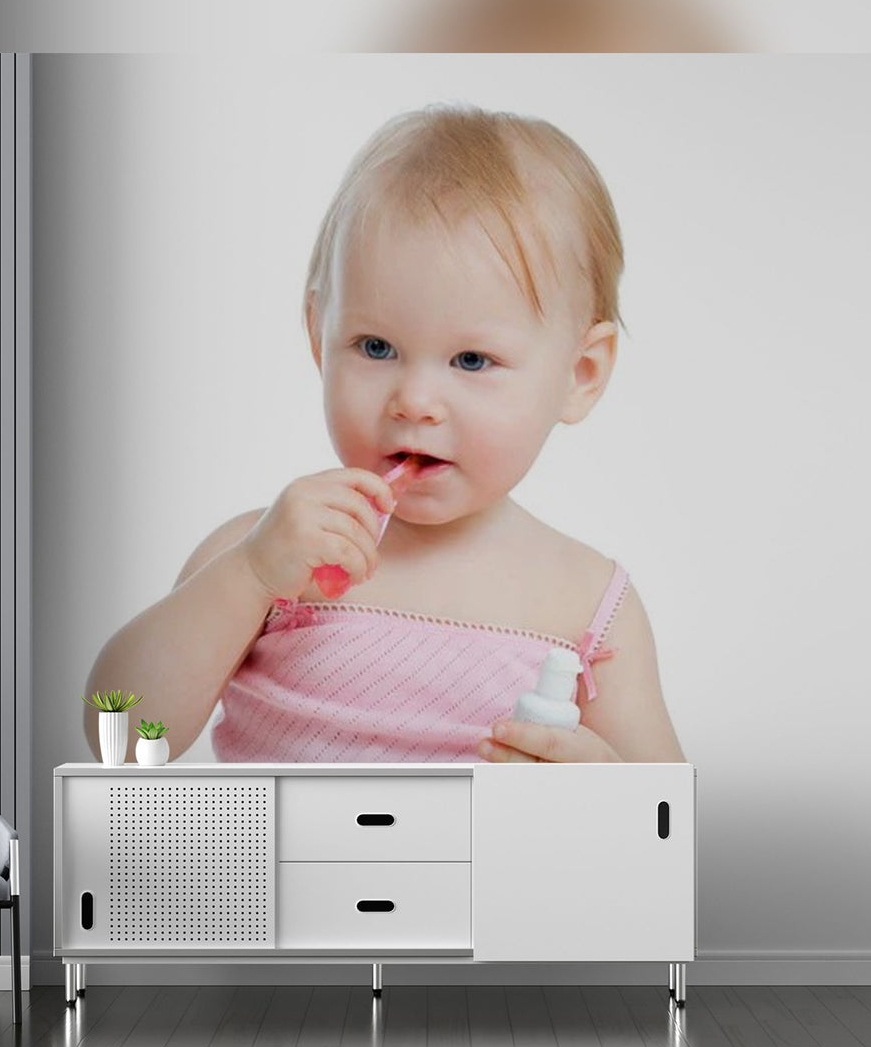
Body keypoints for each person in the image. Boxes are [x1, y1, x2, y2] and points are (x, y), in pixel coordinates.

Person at [85, 104, 685, 765]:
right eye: (375, 346)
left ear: (580, 373)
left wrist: (603, 792)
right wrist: (248, 576)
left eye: (470, 361)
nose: (415, 401)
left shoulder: (589, 604)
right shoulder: (262, 556)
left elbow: (661, 828)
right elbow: (121, 737)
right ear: (319, 336)